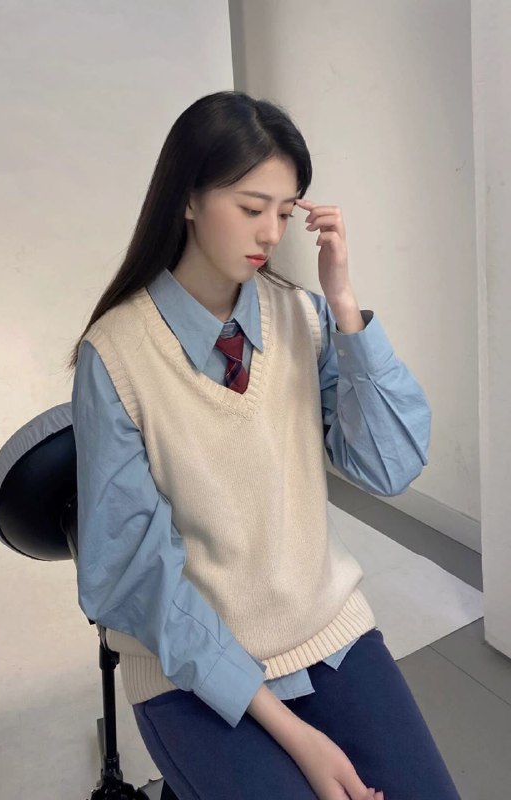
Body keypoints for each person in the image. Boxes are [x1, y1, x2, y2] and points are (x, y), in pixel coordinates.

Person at [69, 91, 461, 800]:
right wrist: (294, 733)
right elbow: (132, 572)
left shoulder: (303, 318)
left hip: (325, 632)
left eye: (285, 212)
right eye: (252, 208)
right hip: (187, 663)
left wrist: (345, 307)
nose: (271, 233)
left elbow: (389, 465)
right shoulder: (117, 355)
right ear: (189, 199)